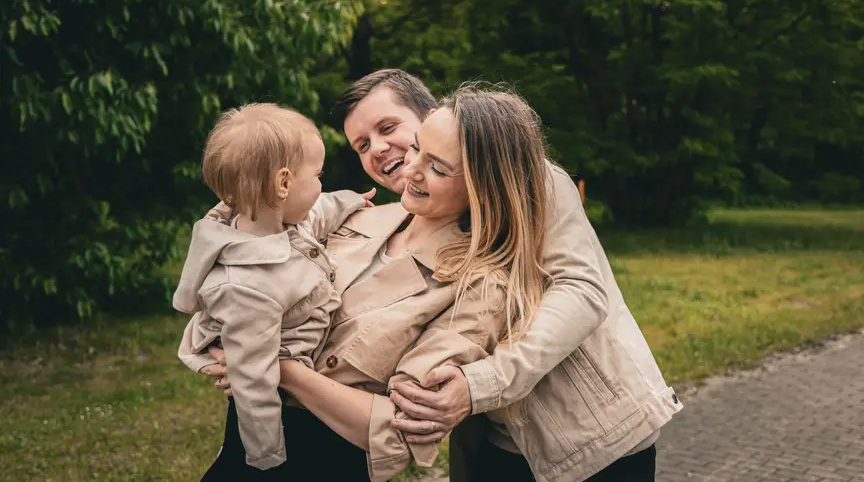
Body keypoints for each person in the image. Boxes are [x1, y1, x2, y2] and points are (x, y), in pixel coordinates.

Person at [208, 71, 683, 481]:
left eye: (391, 129)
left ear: (432, 115)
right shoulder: (382, 218)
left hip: (586, 425)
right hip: (491, 429)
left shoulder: (525, 176)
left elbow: (580, 290)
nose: (380, 150)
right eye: (362, 144)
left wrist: (478, 383)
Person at [200, 87, 555, 481]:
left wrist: (277, 368)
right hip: (239, 452)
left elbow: (401, 429)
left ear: (483, 186)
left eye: (437, 168)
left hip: (322, 462)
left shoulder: (481, 286)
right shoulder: (354, 217)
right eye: (417, 149)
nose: (412, 169)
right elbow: (244, 233)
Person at [172, 103, 371, 476]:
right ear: (283, 184)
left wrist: (354, 200)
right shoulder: (247, 286)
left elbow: (320, 209)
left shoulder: (278, 219)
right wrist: (267, 456)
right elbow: (252, 379)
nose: (321, 185)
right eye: (317, 175)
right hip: (283, 410)